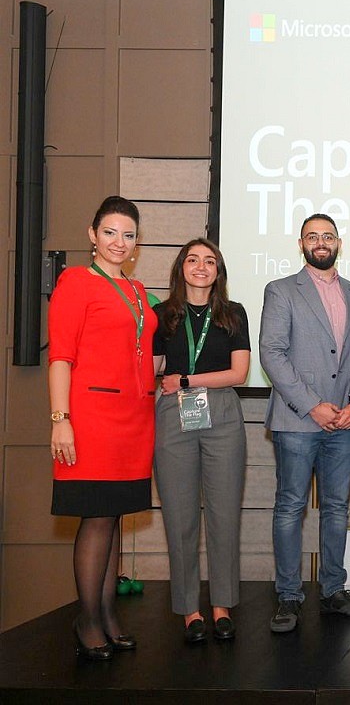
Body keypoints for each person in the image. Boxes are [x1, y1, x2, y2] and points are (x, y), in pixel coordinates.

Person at [48, 196, 159, 660]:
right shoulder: (75, 281)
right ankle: (87, 618)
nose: (119, 242)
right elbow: (60, 358)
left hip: (136, 420)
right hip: (91, 419)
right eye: (110, 232)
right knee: (95, 518)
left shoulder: (137, 291)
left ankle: (109, 613)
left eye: (128, 235)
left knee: (114, 518)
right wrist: (61, 420)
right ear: (92, 235)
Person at [259, 213, 350, 632]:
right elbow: (271, 352)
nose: (320, 242)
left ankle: (333, 591)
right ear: (301, 243)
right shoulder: (282, 290)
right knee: (290, 506)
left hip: (345, 422)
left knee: (338, 508)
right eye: (313, 236)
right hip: (297, 421)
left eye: (328, 236)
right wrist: (313, 406)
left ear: (339, 243)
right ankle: (289, 596)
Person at [152, 239, 250, 643]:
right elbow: (154, 370)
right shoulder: (162, 315)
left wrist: (188, 380)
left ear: (218, 272)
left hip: (223, 412)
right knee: (180, 517)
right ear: (181, 268)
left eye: (210, 261)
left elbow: (238, 373)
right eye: (193, 260)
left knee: (224, 516)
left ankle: (222, 605)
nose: (201, 266)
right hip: (173, 414)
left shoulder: (233, 313)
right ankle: (190, 609)